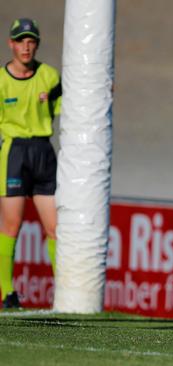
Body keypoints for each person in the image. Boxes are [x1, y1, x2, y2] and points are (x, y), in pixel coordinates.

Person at [0, 18, 60, 309]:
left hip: (43, 151)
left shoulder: (48, 75)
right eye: (21, 40)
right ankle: (7, 292)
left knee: (56, 227)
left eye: (31, 40)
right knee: (12, 225)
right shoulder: (0, 80)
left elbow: (68, 106)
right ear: (11, 43)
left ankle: (64, 293)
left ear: (37, 44)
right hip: (14, 153)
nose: (26, 46)